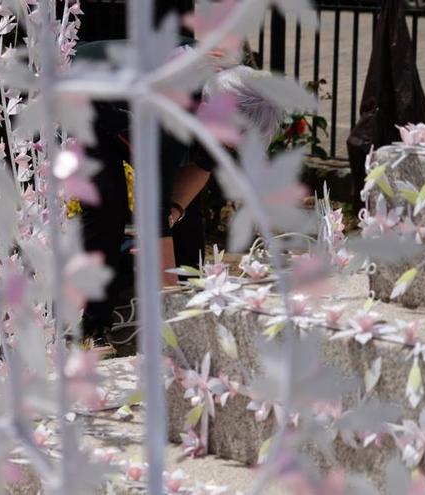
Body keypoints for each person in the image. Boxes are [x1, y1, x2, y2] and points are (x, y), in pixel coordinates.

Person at [76, 40, 284, 346]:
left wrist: (174, 212)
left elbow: (202, 164)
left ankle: (194, 308)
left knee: (185, 219)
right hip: (85, 100)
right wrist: (171, 316)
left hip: (133, 113)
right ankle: (94, 327)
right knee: (108, 208)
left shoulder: (230, 86)